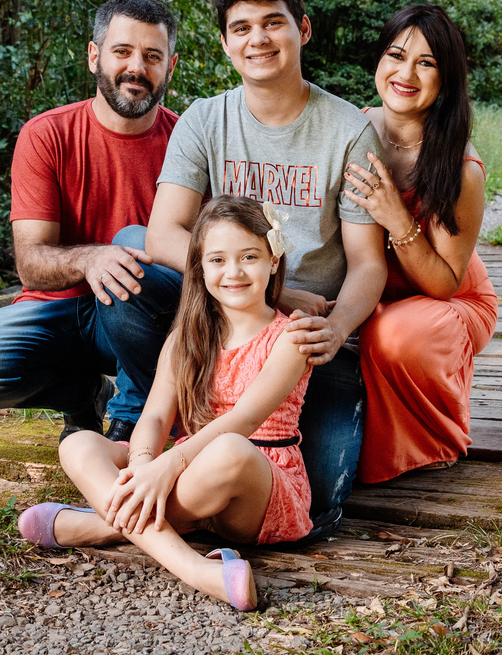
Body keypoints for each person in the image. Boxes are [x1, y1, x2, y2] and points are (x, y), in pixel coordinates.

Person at [140, 0, 387, 522]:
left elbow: (369, 261)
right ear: (226, 44)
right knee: (131, 255)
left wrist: (338, 326)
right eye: (242, 28)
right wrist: (273, 293)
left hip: (306, 342)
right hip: (225, 323)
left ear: (302, 29)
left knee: (318, 497)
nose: (259, 39)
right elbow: (163, 233)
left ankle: (151, 499)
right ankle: (146, 411)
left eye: (274, 23)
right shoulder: (205, 119)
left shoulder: (347, 130)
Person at [18, 195, 313, 611]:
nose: (233, 272)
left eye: (249, 256)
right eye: (217, 260)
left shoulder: (290, 338)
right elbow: (156, 414)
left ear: (274, 261)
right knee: (78, 443)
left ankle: (99, 526)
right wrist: (142, 464)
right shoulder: (186, 338)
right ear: (200, 268)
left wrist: (166, 466)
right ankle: (197, 569)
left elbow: (244, 419)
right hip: (187, 473)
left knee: (229, 449)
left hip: (255, 482)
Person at [0, 0, 183, 442]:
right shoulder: (47, 134)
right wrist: (91, 260)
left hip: (144, 320)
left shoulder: (189, 142)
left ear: (170, 67)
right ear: (95, 56)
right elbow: (31, 262)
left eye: (153, 56)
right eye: (122, 51)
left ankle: (135, 420)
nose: (137, 67)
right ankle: (83, 393)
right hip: (59, 309)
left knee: (134, 252)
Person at [341, 4, 499, 483]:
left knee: (394, 334)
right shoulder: (350, 128)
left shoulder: (460, 168)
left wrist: (395, 217)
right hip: (369, 288)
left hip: (446, 299)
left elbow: (444, 283)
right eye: (396, 55)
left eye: (426, 63)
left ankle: (434, 439)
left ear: (445, 78)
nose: (405, 73)